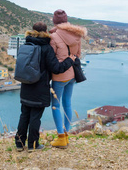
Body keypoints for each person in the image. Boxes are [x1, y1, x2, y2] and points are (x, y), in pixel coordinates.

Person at [15, 21, 76, 152]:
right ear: (46, 31)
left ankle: (19, 143)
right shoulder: (46, 48)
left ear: (32, 30)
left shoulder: (26, 44)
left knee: (24, 115)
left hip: (25, 86)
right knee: (35, 117)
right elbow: (56, 68)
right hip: (39, 88)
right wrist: (70, 60)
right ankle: (33, 144)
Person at [49, 9, 87, 148]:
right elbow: (78, 54)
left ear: (55, 22)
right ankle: (67, 133)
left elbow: (51, 59)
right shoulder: (77, 35)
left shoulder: (53, 37)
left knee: (55, 105)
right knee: (67, 103)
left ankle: (61, 137)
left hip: (60, 76)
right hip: (72, 75)